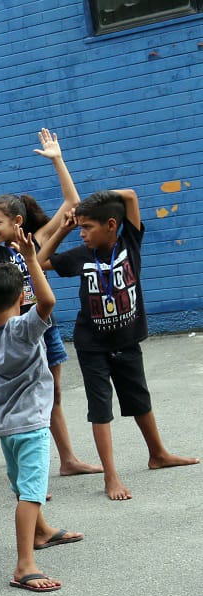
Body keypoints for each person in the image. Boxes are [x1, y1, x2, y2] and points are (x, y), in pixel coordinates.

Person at [0, 129, 101, 477]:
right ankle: (33, 458)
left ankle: (68, 459)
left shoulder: (34, 239)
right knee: (23, 396)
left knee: (53, 393)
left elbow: (71, 204)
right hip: (15, 334)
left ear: (17, 221)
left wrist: (57, 159)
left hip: (40, 326)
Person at [38, 190, 198, 500]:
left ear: (111, 224)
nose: (82, 232)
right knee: (100, 409)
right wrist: (64, 229)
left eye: (87, 226)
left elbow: (132, 197)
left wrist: (98, 197)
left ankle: (158, 454)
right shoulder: (80, 255)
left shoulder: (129, 242)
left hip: (127, 341)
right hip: (92, 346)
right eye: (80, 227)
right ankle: (111, 476)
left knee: (140, 399)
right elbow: (42, 261)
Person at [0, 227, 84, 592]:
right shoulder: (25, 330)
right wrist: (29, 258)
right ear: (21, 295)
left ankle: (42, 532)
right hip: (33, 427)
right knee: (31, 494)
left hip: (6, 428)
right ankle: (25, 564)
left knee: (23, 485)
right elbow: (48, 303)